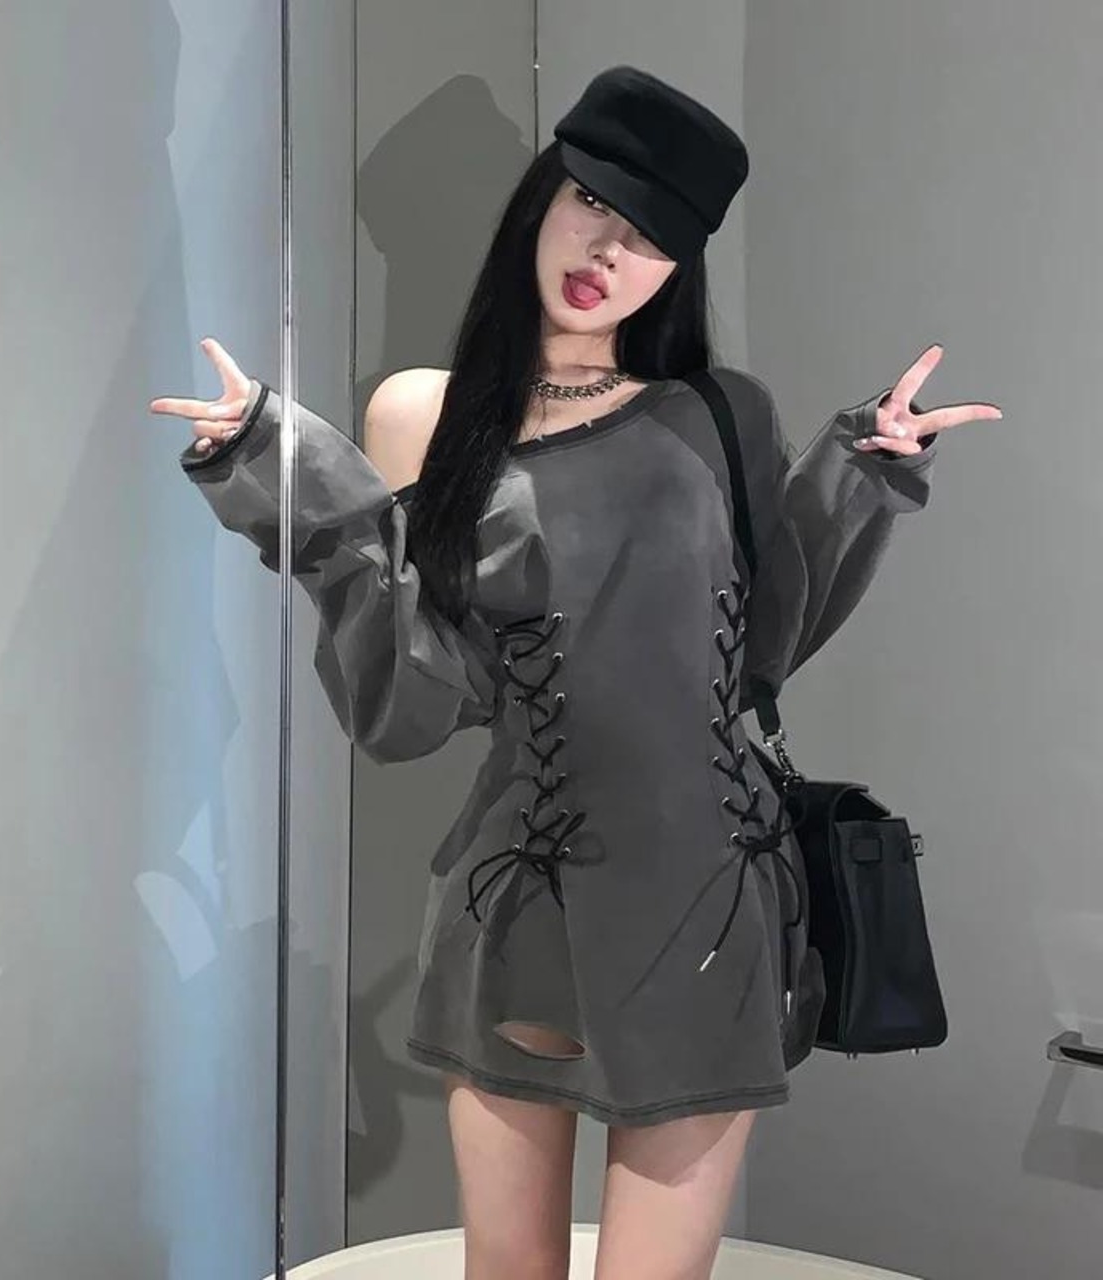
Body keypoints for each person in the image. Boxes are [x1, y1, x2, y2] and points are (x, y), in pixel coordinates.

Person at [151, 63, 1000, 1280]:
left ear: (678, 268)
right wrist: (274, 474)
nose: (608, 250)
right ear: (542, 197)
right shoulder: (423, 412)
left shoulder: (719, 412)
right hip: (520, 891)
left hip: (708, 897)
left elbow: (763, 641)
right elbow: (413, 697)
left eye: (649, 237)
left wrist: (865, 467)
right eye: (591, 202)